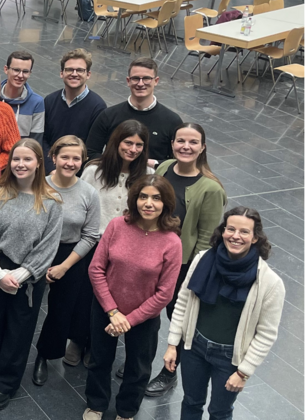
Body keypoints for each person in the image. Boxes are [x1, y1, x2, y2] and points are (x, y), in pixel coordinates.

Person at [164, 207, 285, 420]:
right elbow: (182, 301)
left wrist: (243, 372)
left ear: (255, 237)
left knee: (220, 412)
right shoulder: (202, 259)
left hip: (230, 358)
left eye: (244, 232)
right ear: (223, 231)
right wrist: (173, 344)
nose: (236, 236)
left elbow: (266, 334)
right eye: (231, 229)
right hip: (195, 347)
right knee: (191, 402)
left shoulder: (270, 283)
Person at [0, 139, 63, 411]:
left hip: (27, 279)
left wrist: (18, 277)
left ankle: (5, 385)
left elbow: (49, 246)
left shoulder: (51, 202)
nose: (20, 164)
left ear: (39, 163)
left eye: (27, 159)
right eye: (16, 159)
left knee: (18, 333)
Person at [83, 175, 182, 420]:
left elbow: (165, 293)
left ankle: (127, 410)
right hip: (107, 309)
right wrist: (113, 312)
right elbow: (96, 269)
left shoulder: (172, 241)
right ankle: (96, 404)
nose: (148, 203)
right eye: (143, 196)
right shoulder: (117, 226)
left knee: (138, 368)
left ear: (166, 203)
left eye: (156, 198)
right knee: (99, 360)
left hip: (144, 317)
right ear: (134, 199)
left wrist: (130, 319)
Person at [145, 123, 227, 397]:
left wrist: (192, 275)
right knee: (148, 311)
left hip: (181, 266)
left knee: (177, 319)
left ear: (202, 147)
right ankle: (142, 361)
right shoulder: (164, 167)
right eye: (181, 140)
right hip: (151, 255)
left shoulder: (211, 189)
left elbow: (207, 239)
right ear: (172, 144)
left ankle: (169, 371)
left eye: (193, 142)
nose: (186, 147)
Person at [32, 135, 101, 385]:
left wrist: (64, 266)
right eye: (65, 157)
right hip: (37, 251)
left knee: (61, 310)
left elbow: (91, 234)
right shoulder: (38, 185)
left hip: (70, 254)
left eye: (76, 158)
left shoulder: (88, 193)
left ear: (82, 161)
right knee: (27, 307)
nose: (70, 162)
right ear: (53, 158)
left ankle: (44, 355)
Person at [85, 57, 183, 167]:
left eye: (146, 78)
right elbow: (91, 152)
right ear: (128, 81)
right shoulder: (108, 116)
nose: (140, 84)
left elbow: (179, 160)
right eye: (136, 78)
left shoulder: (172, 120)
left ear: (156, 81)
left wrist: (150, 164)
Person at [81, 120, 155, 234]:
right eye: (128, 143)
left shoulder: (149, 174)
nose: (133, 150)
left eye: (139, 145)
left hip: (130, 241)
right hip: (93, 240)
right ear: (117, 142)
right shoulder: (93, 172)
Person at [42, 49, 107, 173]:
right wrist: (51, 168)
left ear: (88, 74)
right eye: (69, 69)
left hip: (78, 173)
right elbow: (43, 139)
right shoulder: (49, 101)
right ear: (62, 73)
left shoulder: (98, 107)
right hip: (50, 171)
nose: (74, 73)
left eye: (80, 70)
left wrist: (72, 169)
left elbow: (93, 148)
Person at [0, 51, 45, 147]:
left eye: (25, 71)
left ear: (30, 73)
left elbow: (35, 143)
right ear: (6, 69)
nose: (20, 75)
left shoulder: (36, 103)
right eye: (16, 70)